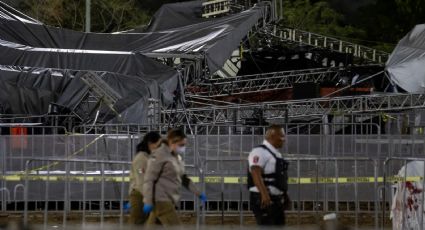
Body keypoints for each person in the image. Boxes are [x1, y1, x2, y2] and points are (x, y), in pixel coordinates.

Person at [142, 128, 207, 226]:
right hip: (161, 200)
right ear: (172, 142)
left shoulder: (175, 157)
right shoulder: (159, 154)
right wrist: (148, 201)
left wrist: (198, 193)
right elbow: (149, 178)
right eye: (181, 145)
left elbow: (184, 178)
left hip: (168, 199)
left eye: (184, 145)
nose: (183, 148)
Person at [247, 124, 290, 225]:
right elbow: (255, 172)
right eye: (281, 136)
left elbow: (279, 177)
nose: (284, 139)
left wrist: (284, 194)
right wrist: (264, 194)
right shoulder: (260, 151)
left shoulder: (275, 154)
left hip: (275, 198)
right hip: (264, 198)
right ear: (272, 136)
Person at [128, 131, 162, 225]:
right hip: (140, 195)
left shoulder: (149, 157)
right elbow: (141, 181)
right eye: (158, 145)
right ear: (150, 144)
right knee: (137, 223)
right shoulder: (141, 158)